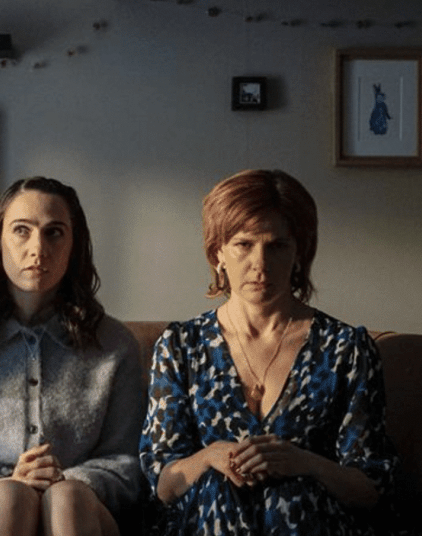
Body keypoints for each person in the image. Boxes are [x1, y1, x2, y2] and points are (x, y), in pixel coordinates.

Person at [139, 169, 403, 535]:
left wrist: (304, 462)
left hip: (309, 519)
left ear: (299, 253)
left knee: (291, 494)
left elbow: (371, 487)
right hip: (208, 520)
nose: (260, 264)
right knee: (218, 485)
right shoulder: (181, 347)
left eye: (277, 246)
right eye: (244, 244)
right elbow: (163, 486)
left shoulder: (347, 350)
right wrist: (210, 456)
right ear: (218, 253)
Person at [0, 176, 146, 536]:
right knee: (10, 498)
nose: (38, 248)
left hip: (85, 506)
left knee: (66, 499)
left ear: (74, 246)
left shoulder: (115, 345)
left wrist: (64, 480)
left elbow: (128, 464)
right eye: (21, 231)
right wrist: (3, 484)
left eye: (54, 232)